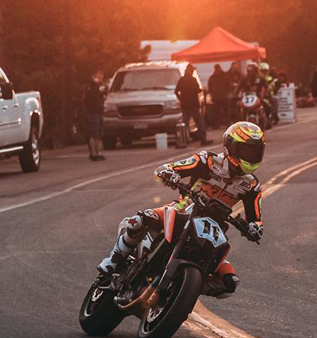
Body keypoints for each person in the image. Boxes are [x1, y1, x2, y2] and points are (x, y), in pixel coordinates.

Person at [97, 121, 266, 300]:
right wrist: (169, 172)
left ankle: (181, 292)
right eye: (247, 150)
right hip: (183, 208)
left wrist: (255, 227)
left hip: (213, 228)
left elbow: (256, 217)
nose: (251, 155)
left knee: (230, 283)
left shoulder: (252, 185)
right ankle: (112, 262)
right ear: (230, 147)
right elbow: (174, 166)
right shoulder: (207, 160)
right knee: (139, 220)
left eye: (256, 151)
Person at [175, 64, 212, 145]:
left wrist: (180, 99)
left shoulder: (181, 80)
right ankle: (203, 139)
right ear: (191, 71)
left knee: (185, 123)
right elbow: (198, 90)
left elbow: (176, 91)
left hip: (185, 105)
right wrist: (202, 90)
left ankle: (183, 141)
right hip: (193, 104)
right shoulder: (193, 79)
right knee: (199, 122)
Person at [84, 70, 106, 161]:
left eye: (101, 78)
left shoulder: (100, 87)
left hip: (99, 112)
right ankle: (93, 153)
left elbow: (101, 98)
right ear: (93, 76)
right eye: (98, 77)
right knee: (93, 133)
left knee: (99, 134)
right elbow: (90, 97)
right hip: (92, 112)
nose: (100, 79)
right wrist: (98, 89)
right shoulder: (90, 87)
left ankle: (98, 152)